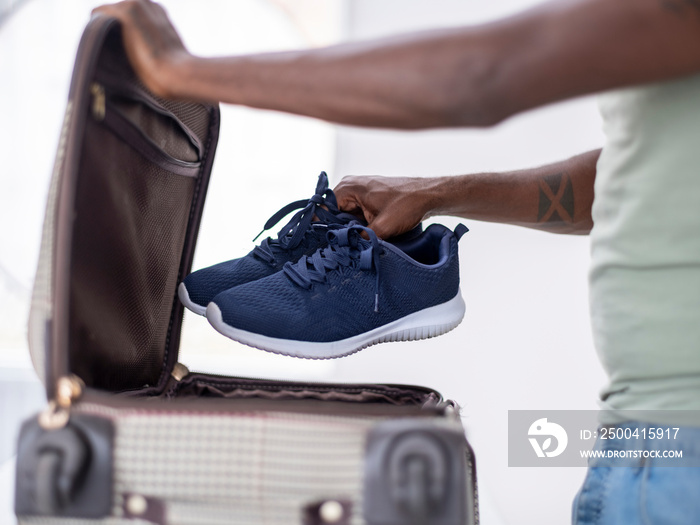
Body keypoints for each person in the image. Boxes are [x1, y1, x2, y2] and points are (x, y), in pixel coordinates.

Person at [94, 0, 700, 523]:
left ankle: (390, 276)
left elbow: (481, 74)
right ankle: (412, 265)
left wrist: (184, 71)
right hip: (649, 438)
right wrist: (435, 193)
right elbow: (630, 174)